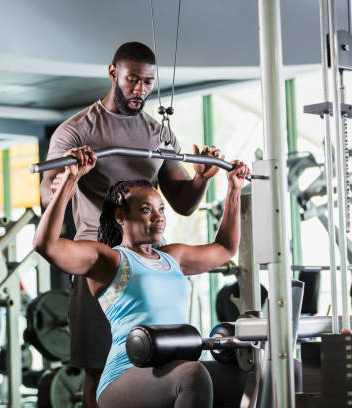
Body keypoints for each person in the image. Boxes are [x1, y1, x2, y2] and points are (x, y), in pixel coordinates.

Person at [40, 41, 223, 407]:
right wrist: (71, 175)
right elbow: (48, 196)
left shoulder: (159, 133)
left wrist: (202, 178)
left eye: (147, 82)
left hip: (149, 262)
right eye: (132, 80)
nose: (140, 90)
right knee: (98, 367)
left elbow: (183, 202)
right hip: (102, 263)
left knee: (162, 360)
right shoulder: (75, 131)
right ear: (113, 73)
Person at [34, 146, 250, 408]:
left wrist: (234, 190)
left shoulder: (174, 258)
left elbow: (225, 248)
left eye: (161, 209)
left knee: (248, 376)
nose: (159, 217)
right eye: (147, 210)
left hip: (174, 371)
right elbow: (48, 246)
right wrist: (70, 179)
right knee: (193, 374)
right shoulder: (110, 260)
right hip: (125, 377)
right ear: (120, 216)